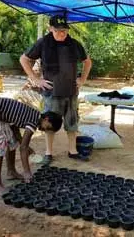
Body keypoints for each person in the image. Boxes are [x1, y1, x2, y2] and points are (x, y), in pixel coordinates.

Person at [20, 14, 92, 165]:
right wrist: (35, 79)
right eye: (58, 31)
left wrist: (82, 79)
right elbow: (24, 59)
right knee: (50, 123)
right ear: (50, 28)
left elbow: (87, 62)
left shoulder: (74, 44)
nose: (61, 34)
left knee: (72, 122)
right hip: (51, 93)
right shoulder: (43, 43)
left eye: (64, 31)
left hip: (71, 91)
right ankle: (49, 153)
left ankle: (73, 151)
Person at [0, 97, 62, 195]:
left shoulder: (34, 114)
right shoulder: (34, 121)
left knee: (12, 141)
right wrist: (27, 171)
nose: (44, 130)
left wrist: (22, 143)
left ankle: (11, 172)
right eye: (48, 127)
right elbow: (23, 148)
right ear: (46, 119)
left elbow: (14, 127)